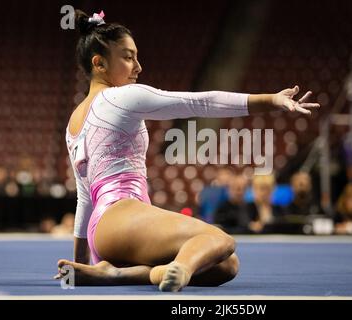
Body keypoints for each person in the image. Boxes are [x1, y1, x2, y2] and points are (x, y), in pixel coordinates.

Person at [53, 10, 320, 292]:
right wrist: (272, 100)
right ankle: (177, 268)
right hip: (120, 216)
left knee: (225, 265)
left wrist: (83, 262)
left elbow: (85, 199)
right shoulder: (120, 97)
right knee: (221, 240)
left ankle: (119, 274)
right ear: (99, 63)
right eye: (128, 56)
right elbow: (201, 103)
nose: (138, 66)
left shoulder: (74, 121)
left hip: (108, 234)